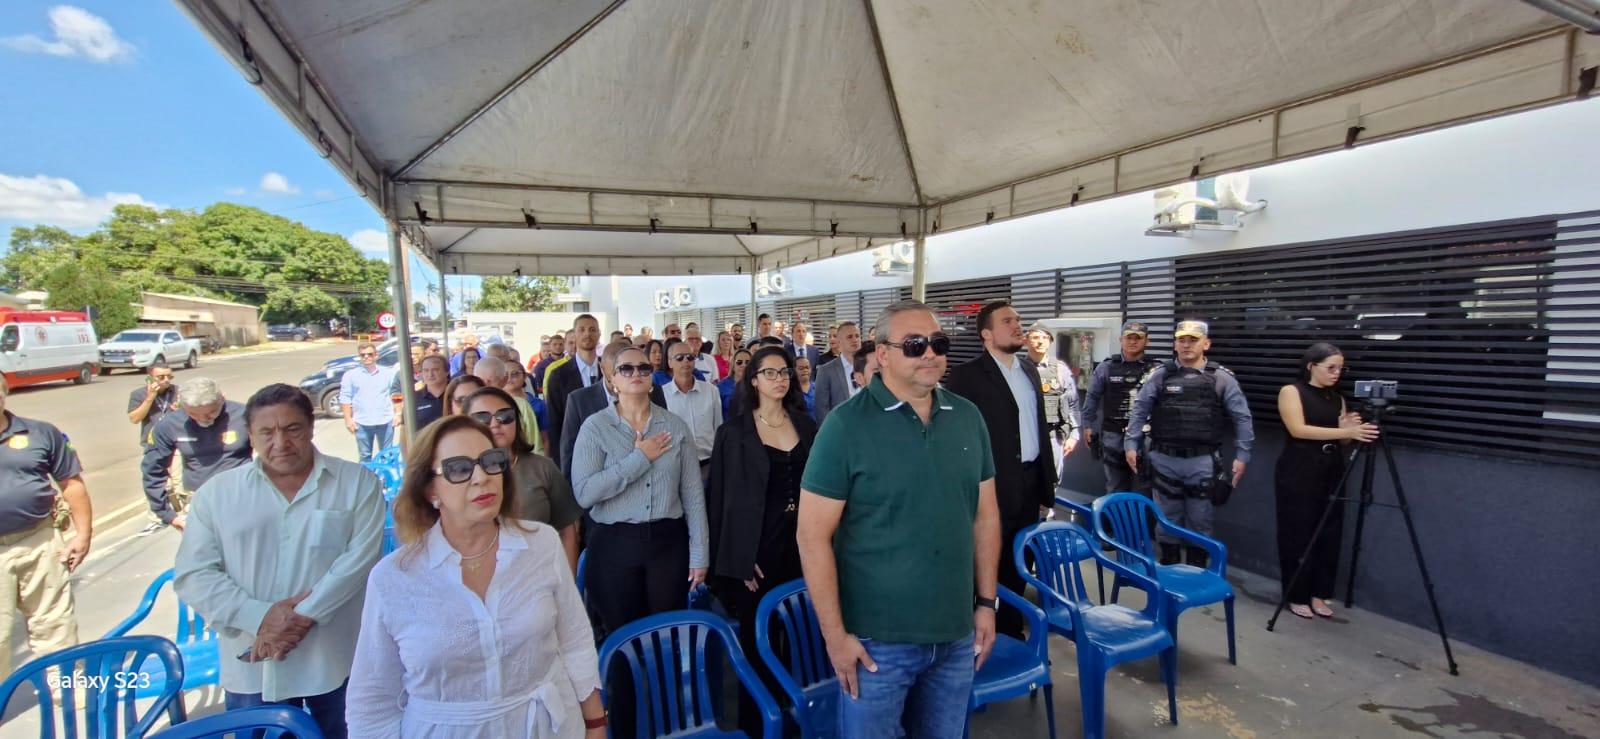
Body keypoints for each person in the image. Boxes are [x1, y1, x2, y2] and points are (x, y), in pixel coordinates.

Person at [797, 301, 1000, 738]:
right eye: (914, 345)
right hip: (876, 644)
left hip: (956, 634)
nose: (930, 353)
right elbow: (812, 537)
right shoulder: (844, 427)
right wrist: (835, 636)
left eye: (938, 343)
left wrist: (986, 604)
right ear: (883, 354)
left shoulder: (968, 417)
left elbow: (985, 518)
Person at [346, 415, 606, 738]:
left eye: (491, 462)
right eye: (459, 469)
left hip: (549, 727)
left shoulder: (542, 544)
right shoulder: (394, 578)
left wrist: (595, 724)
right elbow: (372, 703)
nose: (482, 477)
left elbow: (574, 640)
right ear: (429, 489)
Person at [175, 384, 384, 738]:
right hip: (253, 666)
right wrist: (259, 617)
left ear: (311, 427)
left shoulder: (356, 483)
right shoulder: (217, 495)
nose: (280, 443)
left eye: (292, 429)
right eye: (267, 433)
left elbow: (358, 563)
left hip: (334, 660)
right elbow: (194, 574)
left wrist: (295, 620)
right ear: (250, 435)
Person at [705, 346, 818, 736]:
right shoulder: (734, 432)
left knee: (803, 635)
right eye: (770, 373)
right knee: (760, 640)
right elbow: (721, 501)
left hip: (802, 544)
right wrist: (737, 558)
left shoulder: (805, 424)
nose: (780, 379)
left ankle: (802, 717)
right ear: (753, 380)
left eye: (784, 372)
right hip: (756, 548)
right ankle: (761, 724)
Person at [568, 345, 709, 635]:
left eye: (644, 368)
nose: (636, 373)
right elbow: (584, 493)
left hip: (667, 543)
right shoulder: (595, 427)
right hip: (614, 543)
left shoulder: (675, 426)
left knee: (668, 632)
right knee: (622, 635)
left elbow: (693, 496)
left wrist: (699, 553)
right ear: (612, 380)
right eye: (626, 368)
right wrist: (639, 459)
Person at [944, 301, 1056, 642]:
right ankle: (977, 631)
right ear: (987, 334)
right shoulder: (967, 377)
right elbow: (955, 436)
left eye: (1018, 319)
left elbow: (1039, 427)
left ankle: (1010, 629)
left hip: (1030, 480)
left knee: (1018, 559)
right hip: (991, 485)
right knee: (986, 559)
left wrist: (1046, 482)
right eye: (1007, 321)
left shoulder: (1030, 371)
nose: (1017, 325)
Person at [1125, 320, 1255, 566]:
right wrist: (1131, 444)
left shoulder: (1221, 378)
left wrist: (1243, 455)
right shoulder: (1160, 375)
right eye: (1181, 340)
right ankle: (1170, 570)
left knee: (1200, 520)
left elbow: (1242, 418)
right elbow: (1140, 410)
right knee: (1166, 520)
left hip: (1202, 461)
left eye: (1193, 340)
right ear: (1175, 344)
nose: (1186, 345)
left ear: (1206, 344)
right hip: (1164, 459)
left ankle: (1197, 572)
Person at [1276, 343, 1378, 620]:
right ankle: (1296, 593)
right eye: (1331, 367)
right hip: (1299, 467)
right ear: (1312, 366)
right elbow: (1298, 430)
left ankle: (1319, 593)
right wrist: (1343, 431)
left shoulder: (1337, 398)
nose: (1336, 373)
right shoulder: (1292, 391)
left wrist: (1349, 431)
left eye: (1340, 368)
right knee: (1297, 531)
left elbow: (1342, 439)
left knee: (1329, 531)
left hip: (1332, 466)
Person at [0, 381, 91, 677]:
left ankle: (68, 692)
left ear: (4, 394)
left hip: (39, 541)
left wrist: (83, 534)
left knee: (55, 627)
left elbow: (71, 484)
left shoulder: (41, 433)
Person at [461, 387, 582, 571]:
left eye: (504, 416)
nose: (495, 424)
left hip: (540, 578)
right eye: (482, 418)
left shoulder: (543, 468)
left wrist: (567, 582)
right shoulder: (458, 476)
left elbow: (567, 532)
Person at [142, 377, 253, 532]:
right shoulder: (168, 426)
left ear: (222, 398)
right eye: (193, 414)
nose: (203, 419)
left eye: (211, 412)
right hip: (200, 501)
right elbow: (153, 470)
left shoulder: (246, 416)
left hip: (246, 497)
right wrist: (167, 514)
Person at [559, 341, 668, 478]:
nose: (616, 378)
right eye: (613, 372)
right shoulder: (579, 401)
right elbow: (568, 453)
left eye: (625, 370)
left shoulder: (654, 392)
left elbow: (664, 434)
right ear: (602, 368)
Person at [1081, 321, 1160, 500]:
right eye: (1128, 337)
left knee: (1144, 489)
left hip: (1144, 437)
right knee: (1115, 488)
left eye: (1138, 338)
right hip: (1113, 436)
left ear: (1147, 341)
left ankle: (1141, 520)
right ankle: (1115, 519)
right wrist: (1087, 424)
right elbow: (1092, 397)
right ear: (1120, 340)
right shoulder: (1106, 367)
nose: (1132, 341)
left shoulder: (1156, 369)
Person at [545, 314, 603, 468]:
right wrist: (561, 462)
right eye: (582, 330)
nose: (587, 334)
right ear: (574, 335)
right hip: (575, 452)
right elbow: (554, 422)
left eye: (592, 330)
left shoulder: (609, 370)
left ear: (599, 334)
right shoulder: (558, 375)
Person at [129, 361, 180, 534]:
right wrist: (150, 398)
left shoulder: (177, 392)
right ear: (150, 378)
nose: (166, 380)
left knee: (179, 480)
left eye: (169, 376)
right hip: (152, 444)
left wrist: (179, 410)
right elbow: (135, 418)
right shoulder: (139, 394)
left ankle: (183, 512)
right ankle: (157, 518)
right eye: (161, 377)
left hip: (177, 442)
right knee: (155, 480)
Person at [1025, 325, 1082, 478]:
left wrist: (1074, 435)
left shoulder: (1060, 370)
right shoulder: (1017, 368)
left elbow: (1072, 403)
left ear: (1050, 342)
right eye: (1035, 337)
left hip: (1053, 436)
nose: (1040, 341)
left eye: (1045, 338)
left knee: (1052, 480)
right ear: (1026, 341)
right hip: (1026, 436)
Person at [661, 338, 722, 483]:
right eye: (679, 358)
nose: (685, 361)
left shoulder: (711, 391)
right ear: (670, 362)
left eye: (690, 357)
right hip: (677, 466)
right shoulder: (662, 394)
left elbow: (719, 427)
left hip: (709, 464)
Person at [342, 342, 400, 462]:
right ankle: (366, 475)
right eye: (363, 355)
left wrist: (398, 414)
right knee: (365, 456)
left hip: (385, 421)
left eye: (370, 354)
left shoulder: (388, 373)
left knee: (387, 455)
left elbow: (396, 394)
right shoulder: (350, 375)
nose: (366, 357)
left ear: (376, 355)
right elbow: (345, 398)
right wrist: (348, 419)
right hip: (362, 422)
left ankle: (385, 475)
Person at [813, 321, 863, 424]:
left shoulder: (869, 366)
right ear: (839, 342)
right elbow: (821, 410)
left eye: (857, 336)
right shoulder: (826, 371)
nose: (855, 340)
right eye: (849, 337)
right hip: (842, 427)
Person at [397, 354, 449, 432]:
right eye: (426, 370)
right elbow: (404, 429)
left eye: (435, 370)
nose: (430, 374)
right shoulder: (413, 399)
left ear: (447, 372)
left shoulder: (456, 394)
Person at [719, 349, 752, 417]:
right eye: (739, 362)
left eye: (747, 362)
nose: (743, 365)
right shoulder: (721, 387)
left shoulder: (757, 385)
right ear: (733, 365)